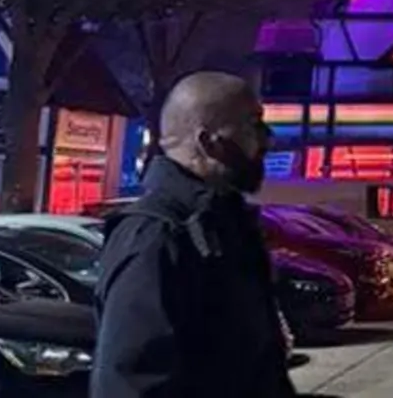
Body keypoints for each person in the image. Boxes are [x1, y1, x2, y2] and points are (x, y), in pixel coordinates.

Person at [91, 71, 295, 398]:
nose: (267, 139)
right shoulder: (156, 235)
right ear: (208, 142)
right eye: (252, 125)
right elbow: (132, 385)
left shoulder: (225, 225)